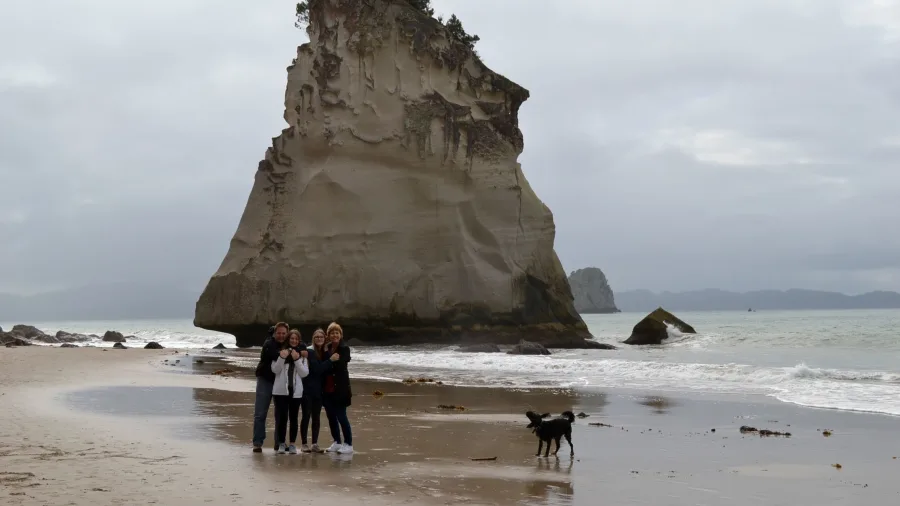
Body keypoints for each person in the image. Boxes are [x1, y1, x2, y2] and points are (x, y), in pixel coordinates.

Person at [271, 329, 310, 454]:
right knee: (282, 418)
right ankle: (282, 443)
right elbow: (275, 370)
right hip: (280, 391)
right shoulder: (279, 352)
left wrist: (297, 359)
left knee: (293, 418)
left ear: (299, 341)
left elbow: (304, 373)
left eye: (296, 339)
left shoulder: (302, 356)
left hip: (296, 391)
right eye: (292, 338)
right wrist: (282, 358)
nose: (294, 341)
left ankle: (292, 444)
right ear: (288, 339)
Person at [252, 323, 286, 453]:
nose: (281, 335)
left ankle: (279, 443)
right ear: (274, 333)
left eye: (284, 333)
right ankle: (257, 442)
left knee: (280, 414)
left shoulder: (287, 344)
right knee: (260, 413)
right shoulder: (268, 344)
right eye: (279, 333)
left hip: (280, 381)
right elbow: (275, 355)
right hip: (265, 379)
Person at [300, 328, 332, 453]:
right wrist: (330, 360)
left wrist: (328, 356)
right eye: (317, 337)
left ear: (324, 339)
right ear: (313, 339)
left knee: (316, 417)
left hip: (319, 390)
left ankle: (314, 444)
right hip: (307, 389)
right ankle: (304, 444)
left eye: (321, 337)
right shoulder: (310, 352)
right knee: (306, 416)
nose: (319, 339)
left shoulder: (324, 353)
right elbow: (317, 369)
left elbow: (328, 369)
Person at [323, 322, 353, 454]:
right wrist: (330, 359)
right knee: (331, 417)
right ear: (328, 335)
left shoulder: (344, 348)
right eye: (332, 333)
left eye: (337, 333)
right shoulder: (327, 347)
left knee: (342, 416)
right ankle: (337, 441)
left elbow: (344, 361)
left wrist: (332, 360)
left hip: (340, 388)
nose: (335, 335)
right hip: (327, 387)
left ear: (340, 335)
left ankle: (348, 444)